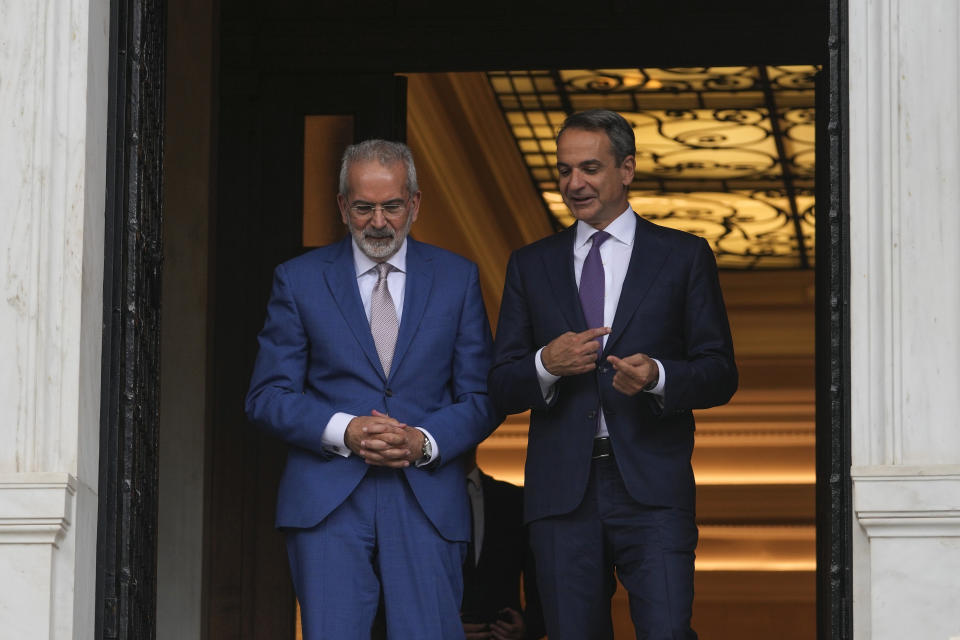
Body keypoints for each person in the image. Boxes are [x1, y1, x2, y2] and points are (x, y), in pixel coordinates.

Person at [488, 109, 737, 640]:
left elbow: (720, 372)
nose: (573, 183)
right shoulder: (530, 264)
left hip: (652, 488)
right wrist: (544, 365)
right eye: (563, 171)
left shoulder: (683, 255)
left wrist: (659, 377)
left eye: (589, 168)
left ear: (626, 170)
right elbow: (500, 384)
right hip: (560, 495)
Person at [245, 139, 498, 640]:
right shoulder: (298, 280)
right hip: (328, 497)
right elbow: (267, 395)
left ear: (415, 204)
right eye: (364, 208)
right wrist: (347, 429)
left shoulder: (457, 278)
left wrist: (422, 440)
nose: (379, 222)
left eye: (392, 206)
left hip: (425, 494)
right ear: (342, 206)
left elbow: (482, 398)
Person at [461, 449, 545, 640]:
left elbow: (539, 576)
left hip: (501, 633)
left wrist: (528, 627)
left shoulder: (515, 500)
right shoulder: (413, 502)